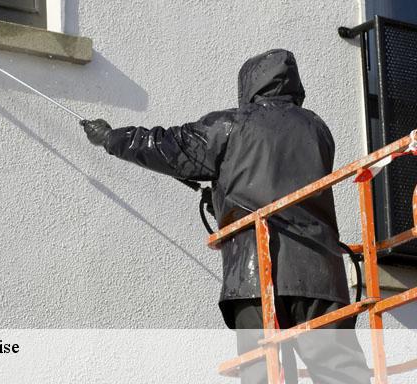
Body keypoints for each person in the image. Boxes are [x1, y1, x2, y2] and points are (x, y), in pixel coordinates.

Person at [81, 49, 370, 383]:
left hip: (255, 275)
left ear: (249, 85)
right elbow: (279, 180)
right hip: (322, 274)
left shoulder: (234, 125)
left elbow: (167, 147)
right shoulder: (317, 129)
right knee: (342, 374)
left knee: (264, 373)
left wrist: (111, 138)